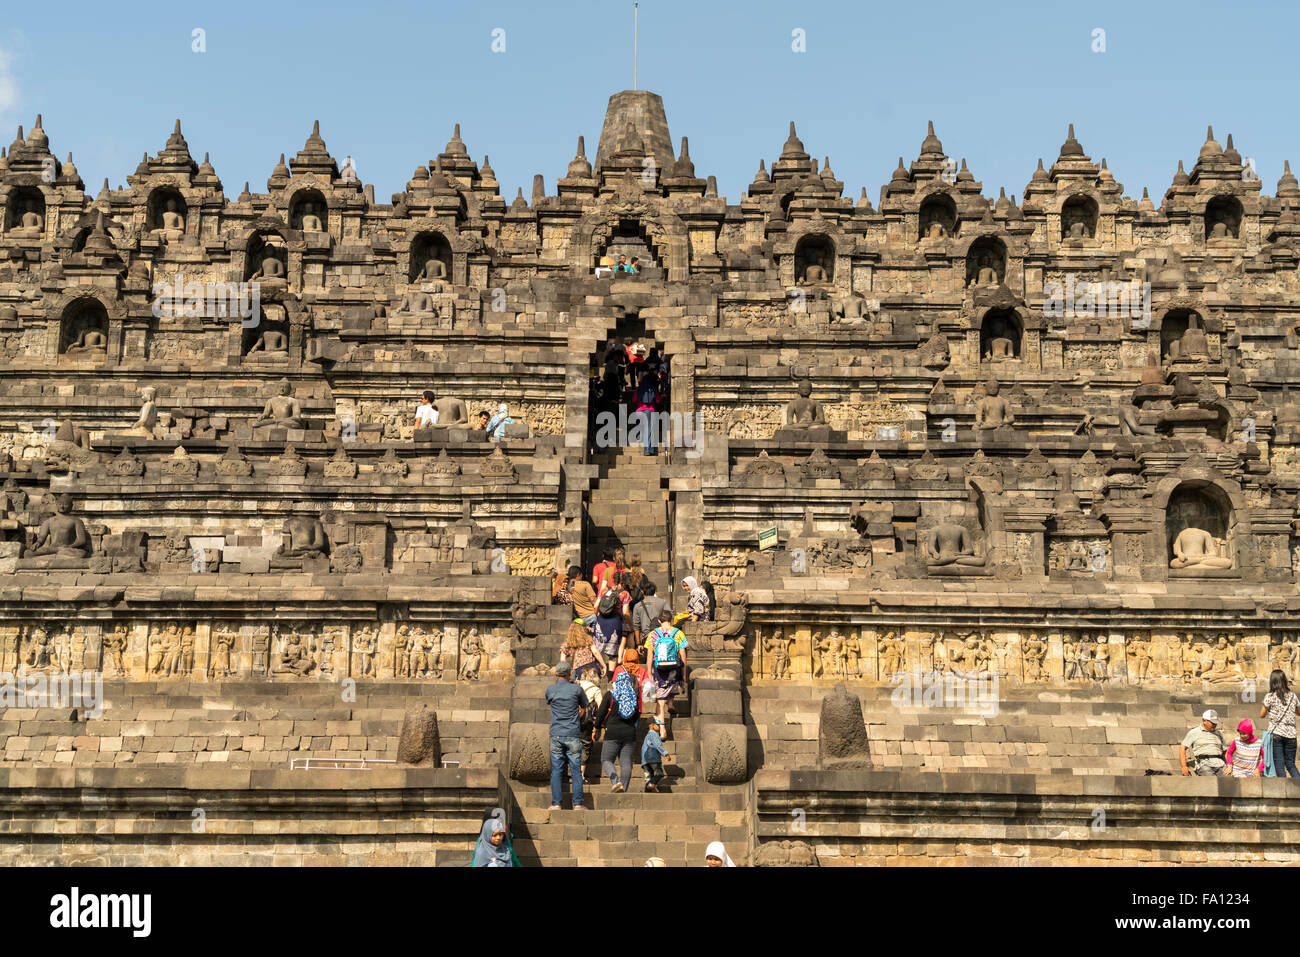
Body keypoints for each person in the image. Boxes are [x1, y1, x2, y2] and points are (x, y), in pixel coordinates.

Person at [546, 660, 587, 810]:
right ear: (570, 674)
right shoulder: (577, 690)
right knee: (576, 770)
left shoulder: (550, 690)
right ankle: (578, 804)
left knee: (556, 770)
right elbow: (584, 706)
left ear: (556, 674)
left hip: (556, 734)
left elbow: (550, 703)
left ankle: (556, 803)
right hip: (573, 734)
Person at [594, 667, 641, 793]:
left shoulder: (611, 695)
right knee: (625, 762)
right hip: (630, 734)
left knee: (606, 759)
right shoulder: (633, 698)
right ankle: (623, 789)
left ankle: (615, 782)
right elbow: (636, 716)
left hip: (612, 733)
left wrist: (596, 727)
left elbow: (601, 714)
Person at [645, 611, 688, 741]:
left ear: (659, 621)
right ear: (672, 620)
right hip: (674, 667)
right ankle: (671, 703)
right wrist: (684, 673)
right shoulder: (678, 633)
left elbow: (649, 655)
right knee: (672, 684)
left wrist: (649, 672)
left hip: (659, 669)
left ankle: (663, 730)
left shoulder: (653, 634)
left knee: (660, 701)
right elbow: (683, 655)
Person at [1260, 669, 1299, 777]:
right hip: (1291, 735)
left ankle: (1284, 791)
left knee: (1279, 764)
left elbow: (1261, 714)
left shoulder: (1270, 696)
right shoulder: (1293, 696)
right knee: (1291, 764)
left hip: (1277, 734)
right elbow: (1299, 712)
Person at [1178, 710, 1227, 776]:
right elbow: (1182, 747)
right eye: (1212, 723)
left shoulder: (1218, 733)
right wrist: (1184, 766)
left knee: (1229, 781)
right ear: (1204, 720)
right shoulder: (1194, 732)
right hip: (1204, 763)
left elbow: (1225, 751)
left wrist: (1230, 765)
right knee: (1211, 782)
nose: (1214, 725)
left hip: (1220, 764)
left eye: (1215, 723)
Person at [632, 580, 670, 651]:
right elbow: (670, 617)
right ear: (654, 591)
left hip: (647, 638)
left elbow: (636, 627)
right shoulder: (663, 602)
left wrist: (638, 644)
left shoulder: (638, 606)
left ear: (642, 592)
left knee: (649, 659)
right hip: (662, 636)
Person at [635, 369, 659, 456]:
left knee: (643, 427)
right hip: (649, 411)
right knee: (649, 430)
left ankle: (639, 437)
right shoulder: (653, 388)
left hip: (639, 411)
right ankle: (648, 450)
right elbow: (658, 400)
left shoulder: (639, 389)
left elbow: (634, 400)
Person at [642, 723, 669, 792]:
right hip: (653, 757)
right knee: (659, 773)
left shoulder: (647, 736)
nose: (660, 727)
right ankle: (652, 783)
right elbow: (658, 745)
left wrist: (643, 762)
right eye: (658, 725)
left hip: (645, 760)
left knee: (649, 777)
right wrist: (666, 754)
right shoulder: (653, 734)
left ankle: (647, 792)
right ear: (653, 725)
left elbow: (643, 749)